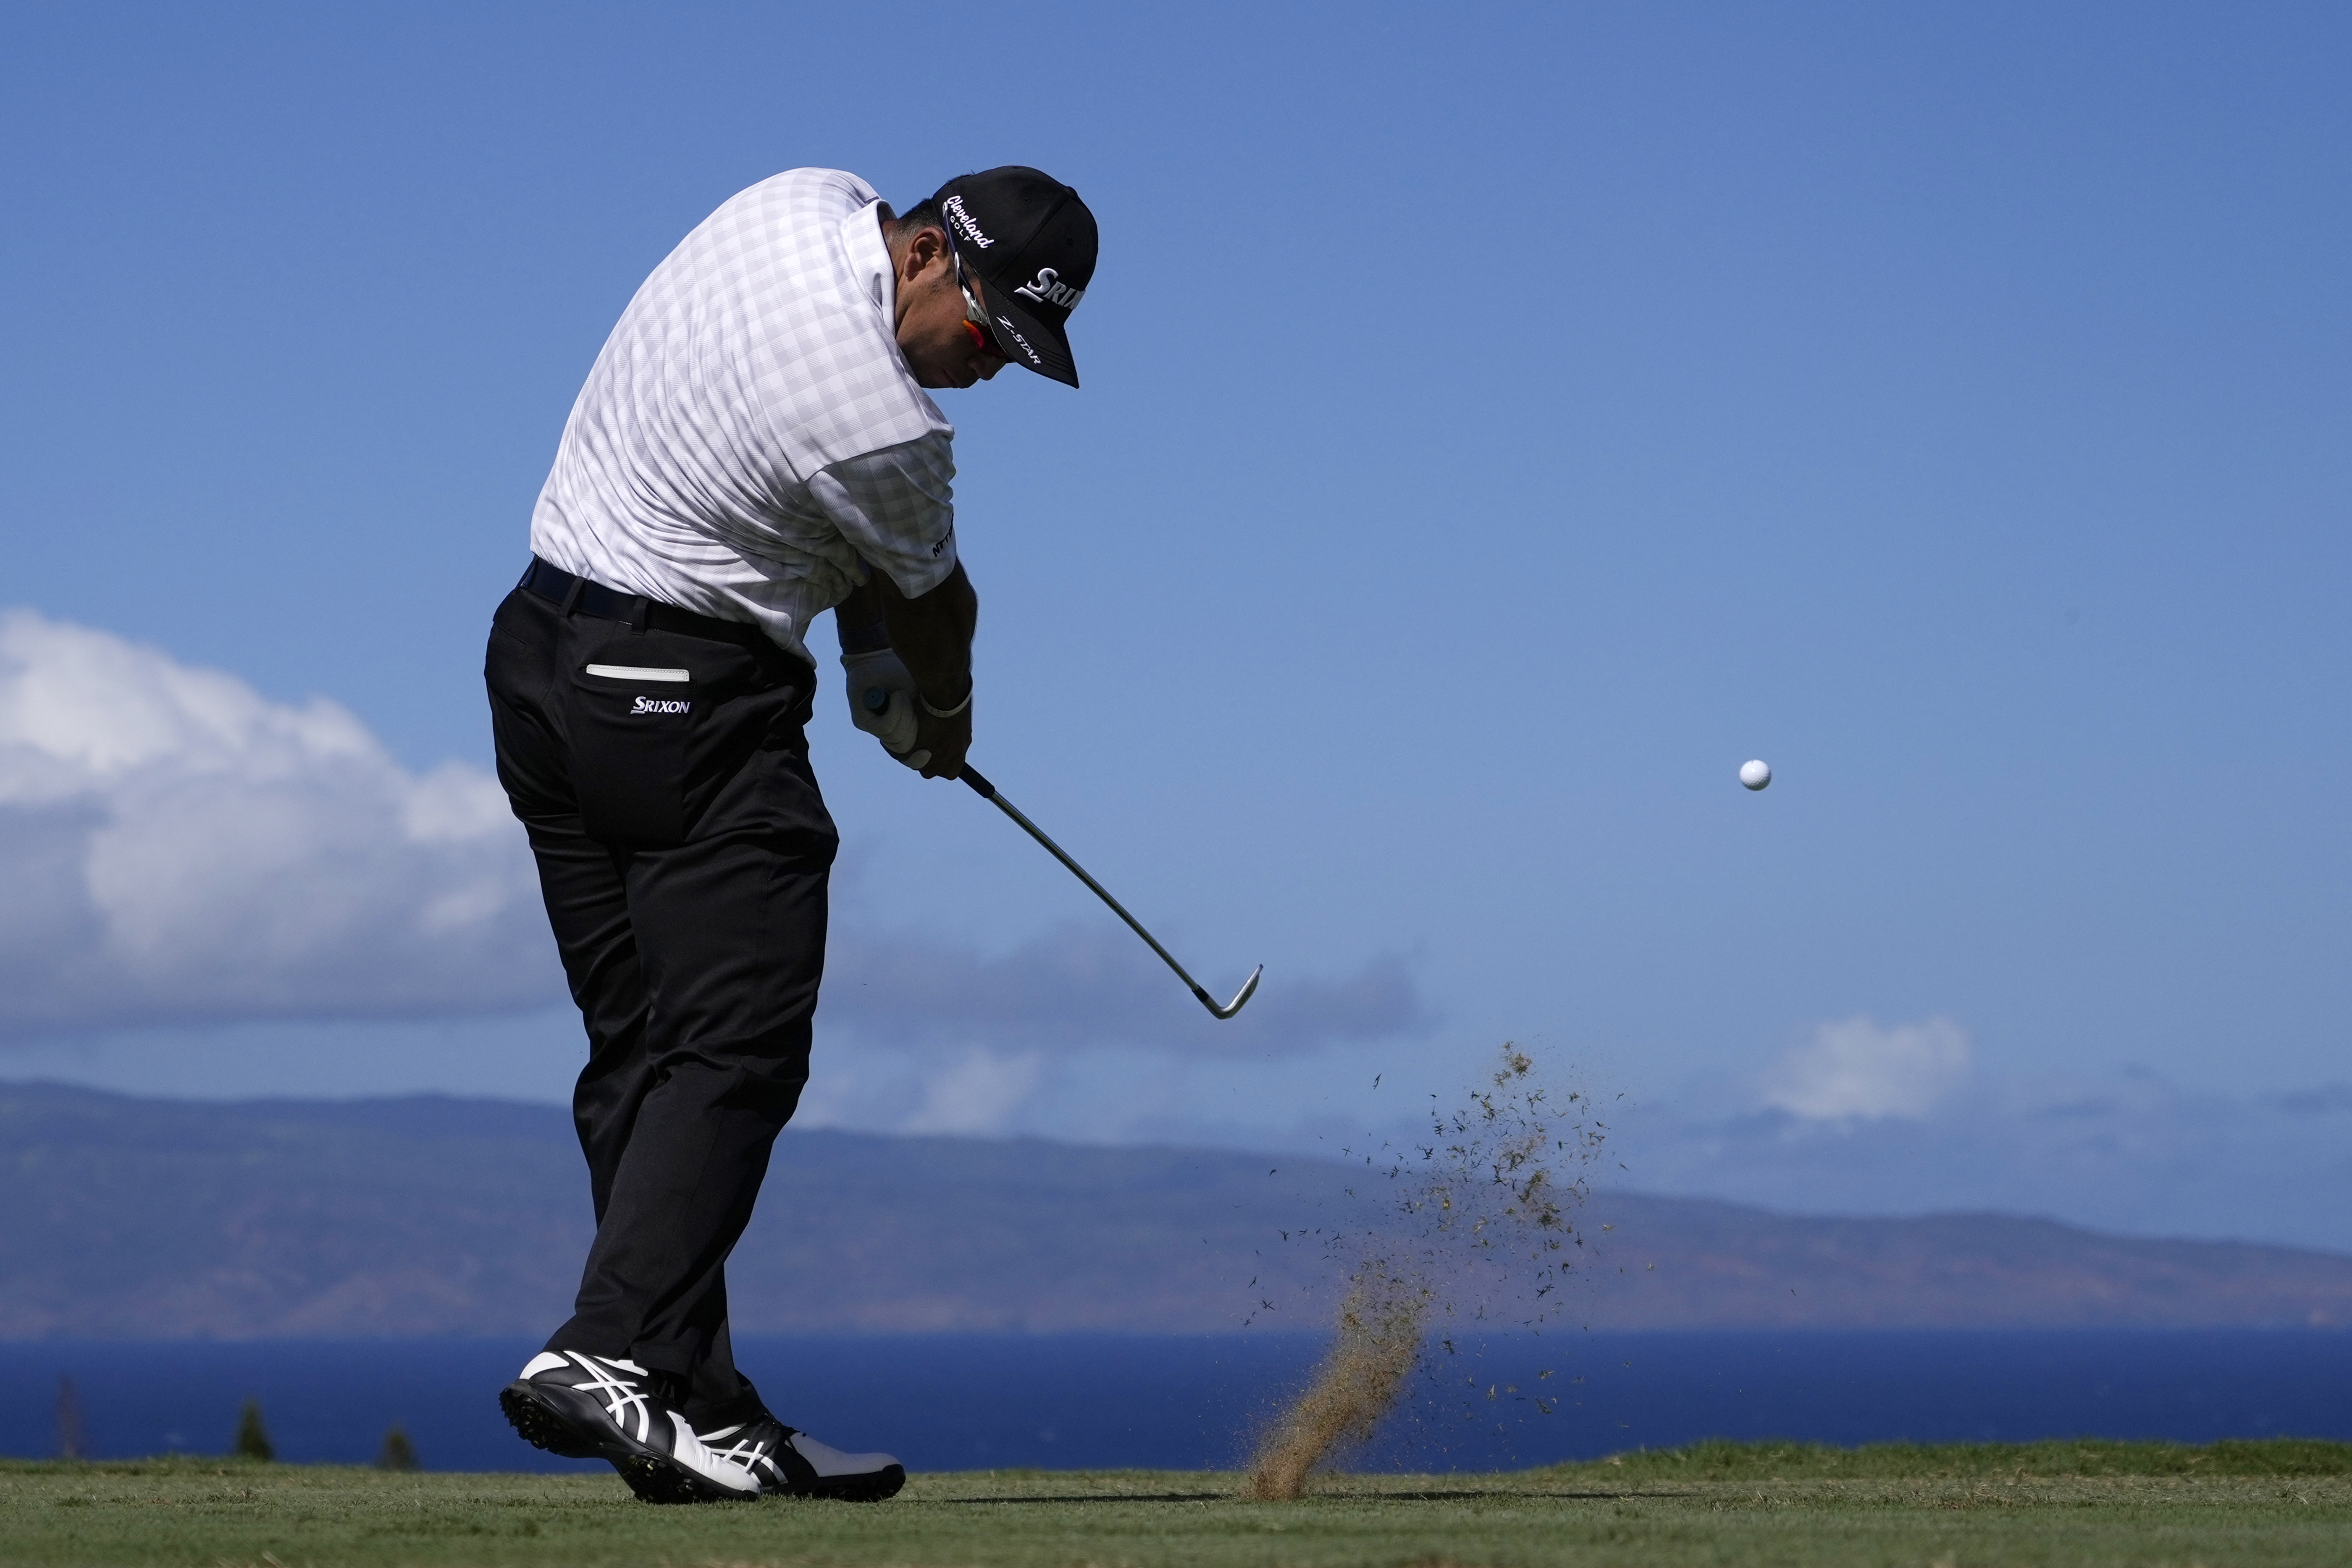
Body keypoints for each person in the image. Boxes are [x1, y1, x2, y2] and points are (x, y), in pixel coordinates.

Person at [483, 165, 1097, 1504]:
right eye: (988, 333)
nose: (988, 368)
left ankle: (693, 1404)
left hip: (537, 658)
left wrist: (866, 649)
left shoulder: (802, 197)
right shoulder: (888, 425)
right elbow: (931, 606)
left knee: (643, 1052)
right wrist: (938, 715)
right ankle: (603, 1354)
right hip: (680, 699)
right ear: (930, 255)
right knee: (741, 1040)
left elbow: (841, 537)